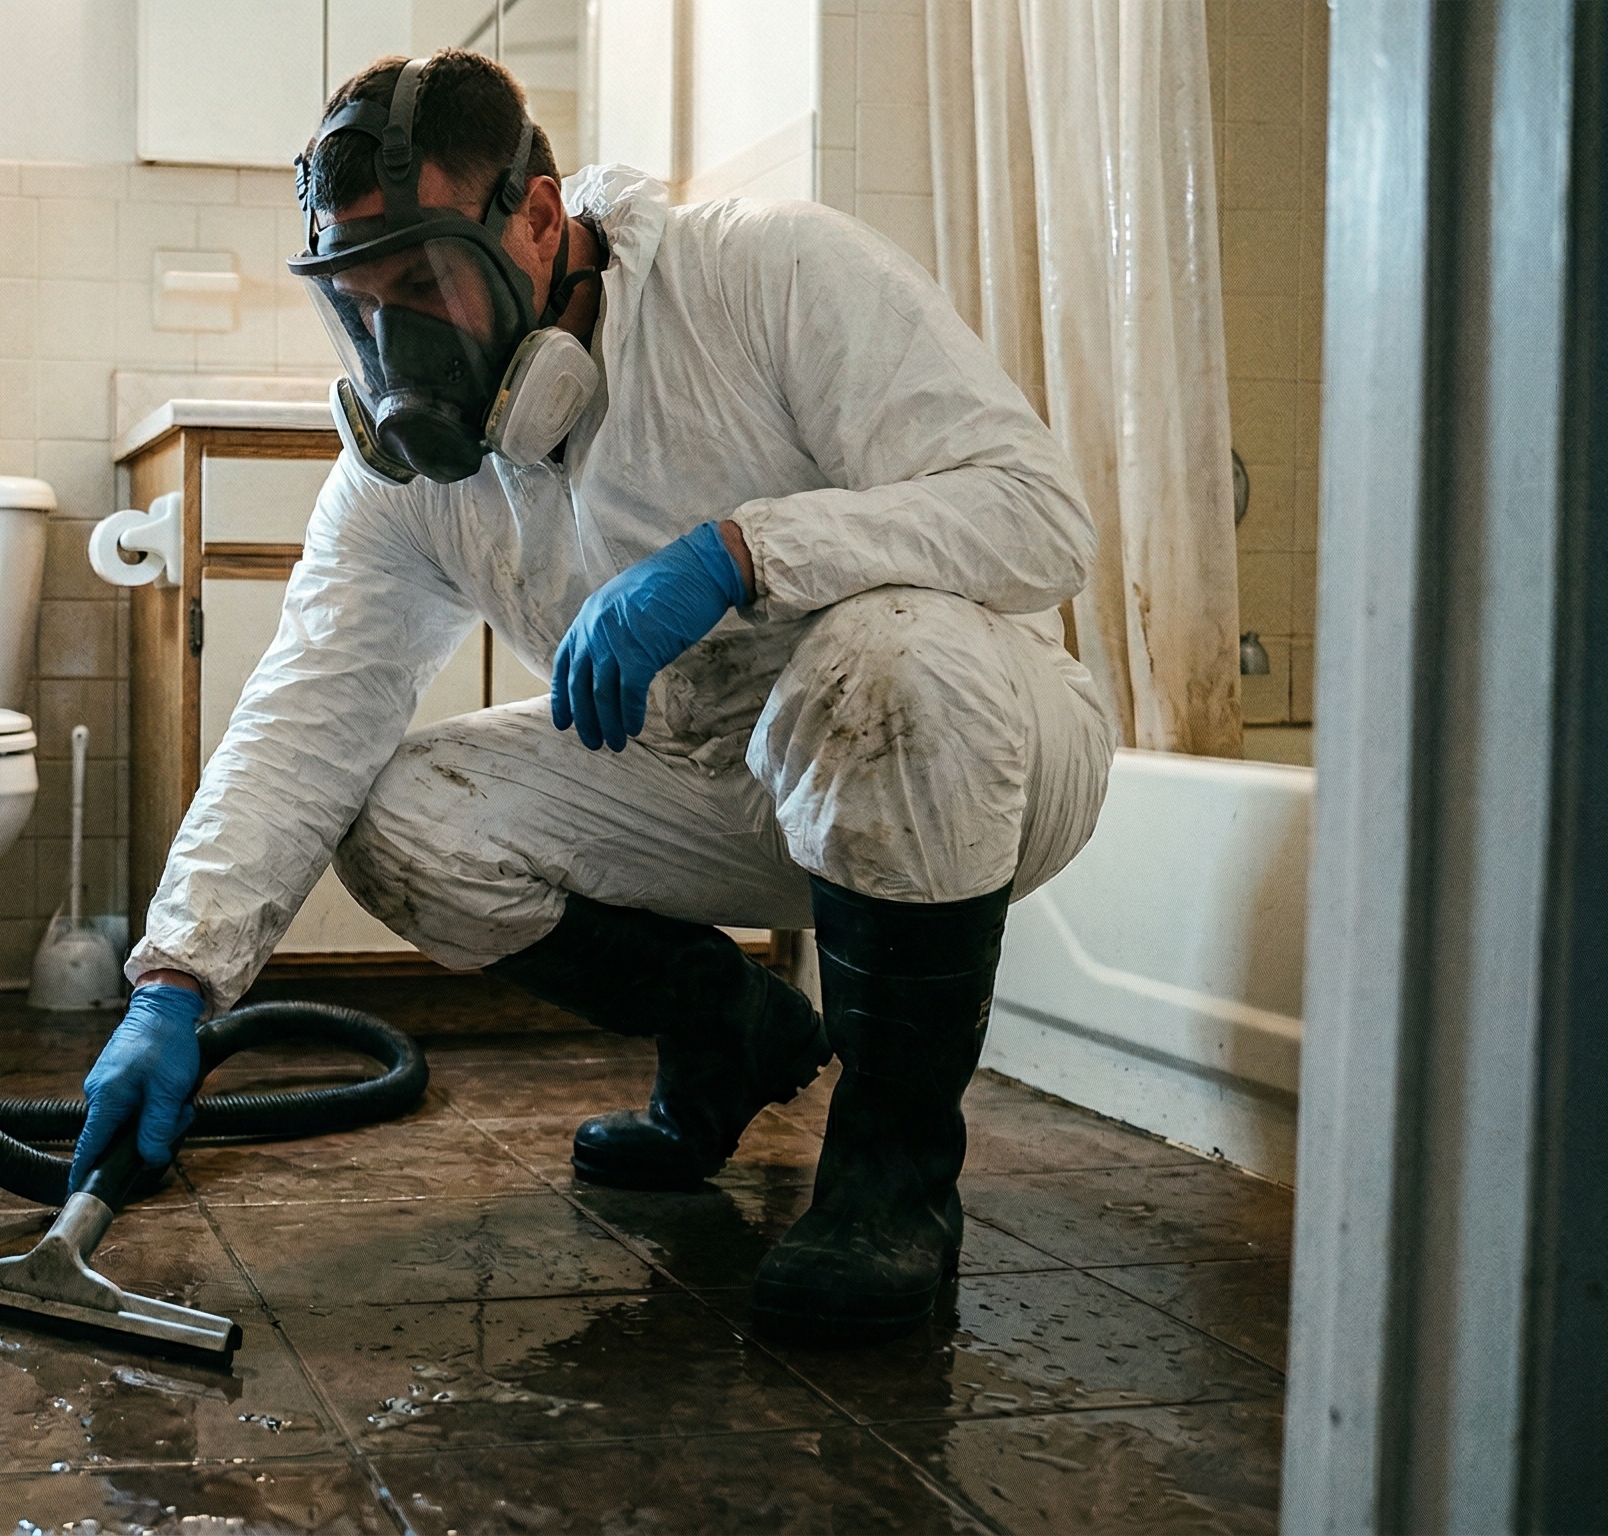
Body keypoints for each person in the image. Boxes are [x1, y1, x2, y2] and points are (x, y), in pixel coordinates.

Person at [71, 49, 1111, 1344]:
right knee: (399, 819)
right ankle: (724, 1034)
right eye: (361, 297)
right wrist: (177, 981)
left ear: (542, 218)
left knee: (891, 658)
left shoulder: (764, 274)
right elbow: (305, 714)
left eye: (430, 280)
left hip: (976, 765)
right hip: (721, 794)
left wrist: (739, 554)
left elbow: (1042, 521)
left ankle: (891, 1189)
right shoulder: (413, 482)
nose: (401, 339)